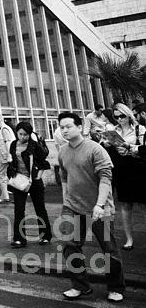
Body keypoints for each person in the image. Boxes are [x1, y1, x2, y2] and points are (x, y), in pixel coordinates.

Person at [56, 111, 124, 303]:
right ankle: (80, 285)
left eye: (68, 126)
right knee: (70, 246)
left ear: (80, 127)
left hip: (99, 208)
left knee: (109, 250)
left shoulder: (95, 149)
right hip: (73, 206)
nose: (65, 130)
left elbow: (106, 178)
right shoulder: (62, 151)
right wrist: (65, 199)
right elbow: (64, 177)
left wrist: (100, 204)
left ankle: (115, 287)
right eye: (62, 127)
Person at [102, 103, 145, 251]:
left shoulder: (139, 129)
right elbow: (105, 144)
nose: (119, 119)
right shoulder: (114, 130)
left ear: (128, 115)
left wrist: (129, 147)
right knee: (125, 205)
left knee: (142, 204)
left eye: (122, 116)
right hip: (121, 168)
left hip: (137, 168)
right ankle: (129, 239)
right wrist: (107, 143)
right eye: (116, 116)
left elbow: (143, 149)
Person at [6, 122, 52, 247]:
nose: (22, 137)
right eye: (20, 134)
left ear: (29, 134)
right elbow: (12, 161)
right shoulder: (13, 145)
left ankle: (45, 235)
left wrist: (37, 177)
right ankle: (19, 239)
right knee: (19, 210)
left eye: (25, 135)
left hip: (34, 182)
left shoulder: (34, 146)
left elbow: (44, 163)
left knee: (39, 208)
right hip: (19, 181)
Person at [0, 110, 16, 203]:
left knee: (1, 175)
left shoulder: (4, 129)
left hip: (4, 156)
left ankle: (5, 196)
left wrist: (9, 155)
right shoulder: (4, 129)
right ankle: (4, 195)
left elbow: (8, 142)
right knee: (3, 175)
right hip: (4, 156)